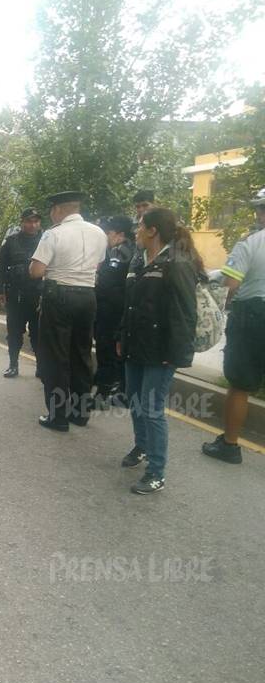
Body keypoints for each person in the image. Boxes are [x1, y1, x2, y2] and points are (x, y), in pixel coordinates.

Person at [119, 208, 199, 494]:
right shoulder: (139, 260)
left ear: (153, 230)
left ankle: (156, 472)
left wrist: (176, 353)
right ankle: (141, 446)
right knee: (134, 400)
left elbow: (186, 314)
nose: (136, 231)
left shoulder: (176, 263)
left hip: (160, 350)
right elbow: (130, 305)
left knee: (152, 410)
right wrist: (121, 337)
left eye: (140, 226)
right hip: (136, 345)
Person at [29, 191, 107, 431]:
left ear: (59, 210)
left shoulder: (53, 234)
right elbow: (99, 265)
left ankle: (58, 416)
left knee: (56, 357)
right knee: (82, 354)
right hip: (87, 296)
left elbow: (36, 271)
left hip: (60, 295)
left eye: (52, 209)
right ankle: (80, 412)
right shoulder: (99, 233)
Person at [201, 187, 265, 465]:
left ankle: (230, 444)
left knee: (240, 384)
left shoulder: (251, 243)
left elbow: (232, 284)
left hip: (253, 313)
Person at [0, 208, 43, 378]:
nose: (32, 225)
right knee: (14, 332)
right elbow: (0, 267)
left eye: (36, 221)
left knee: (39, 334)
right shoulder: (11, 242)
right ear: (22, 222)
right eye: (29, 221)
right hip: (16, 295)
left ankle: (40, 367)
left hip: (39, 296)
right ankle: (13, 365)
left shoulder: (46, 240)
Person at [93, 215, 136, 405]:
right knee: (113, 352)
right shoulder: (122, 250)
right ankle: (114, 386)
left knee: (107, 351)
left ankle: (102, 393)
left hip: (111, 311)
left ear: (119, 235)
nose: (105, 236)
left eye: (108, 233)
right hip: (115, 310)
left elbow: (107, 283)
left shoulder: (121, 253)